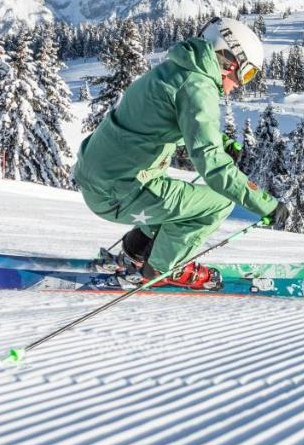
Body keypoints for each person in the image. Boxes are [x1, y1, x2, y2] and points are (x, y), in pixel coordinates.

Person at [73, 16, 290, 289]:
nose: (240, 84)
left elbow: (162, 124)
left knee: (176, 198)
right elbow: (213, 166)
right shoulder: (197, 86)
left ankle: (136, 252)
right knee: (219, 202)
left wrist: (217, 141)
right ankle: (163, 268)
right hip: (118, 192)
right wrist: (267, 204)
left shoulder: (174, 70)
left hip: (100, 180)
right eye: (246, 74)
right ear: (229, 61)